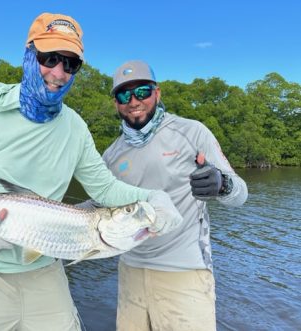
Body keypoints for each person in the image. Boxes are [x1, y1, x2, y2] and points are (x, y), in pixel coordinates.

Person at [0, 14, 183, 331]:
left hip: (44, 273)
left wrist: (152, 199)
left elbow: (105, 191)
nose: (58, 72)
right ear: (28, 54)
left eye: (70, 64)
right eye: (49, 58)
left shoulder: (75, 127)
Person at [103, 60, 248, 330]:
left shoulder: (192, 132)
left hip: (184, 273)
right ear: (116, 103)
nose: (134, 100)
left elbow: (241, 194)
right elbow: (99, 207)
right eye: (124, 94)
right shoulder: (111, 154)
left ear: (157, 93)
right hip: (130, 272)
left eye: (142, 92)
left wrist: (222, 185)